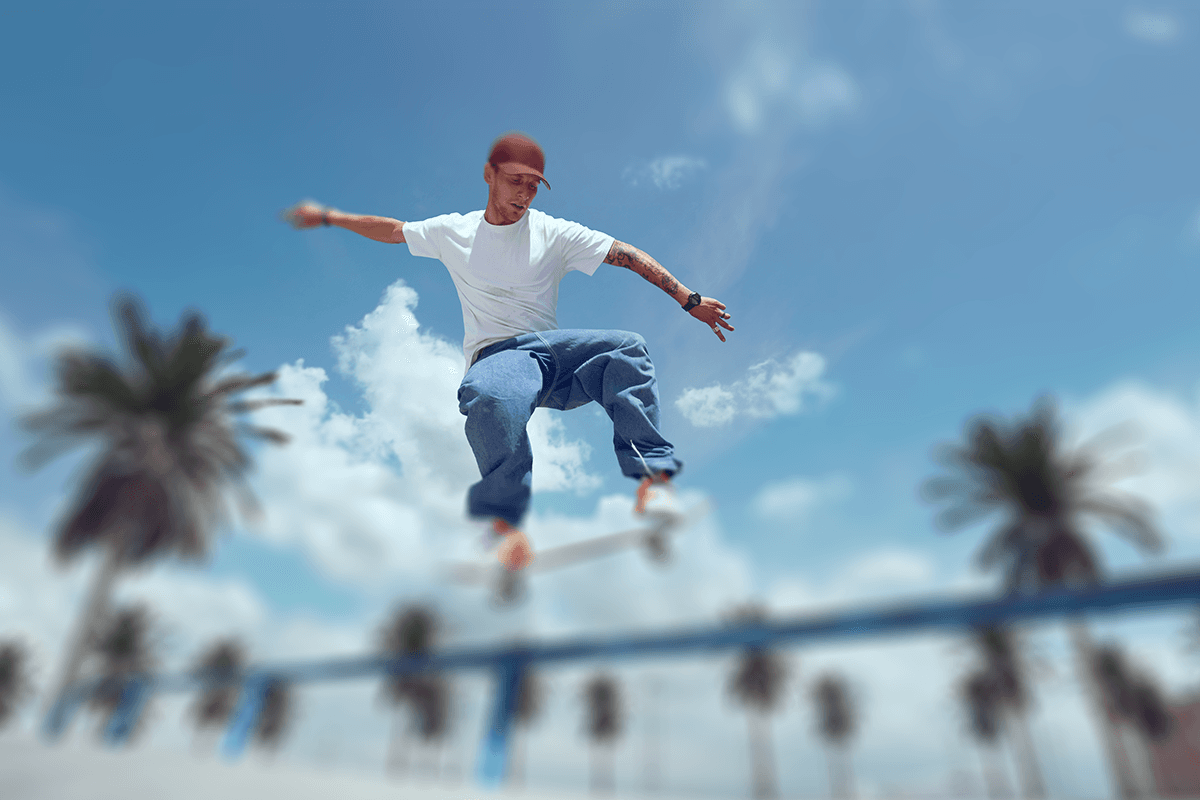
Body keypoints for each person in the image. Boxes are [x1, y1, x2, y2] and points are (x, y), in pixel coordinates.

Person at [284, 132, 734, 572]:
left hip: (556, 360)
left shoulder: (555, 232)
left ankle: (652, 482)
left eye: (534, 185)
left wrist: (688, 300)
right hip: (500, 357)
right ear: (489, 175)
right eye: (516, 180)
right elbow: (392, 231)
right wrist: (329, 217)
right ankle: (504, 527)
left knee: (626, 349)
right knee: (488, 394)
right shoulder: (452, 231)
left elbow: (626, 255)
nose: (525, 193)